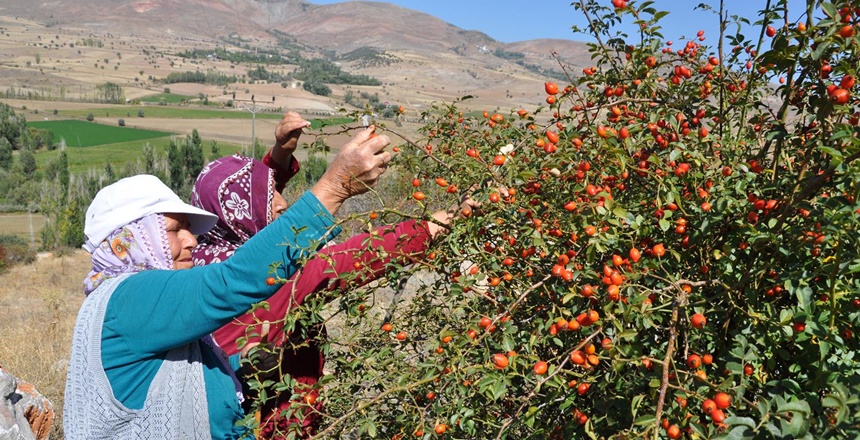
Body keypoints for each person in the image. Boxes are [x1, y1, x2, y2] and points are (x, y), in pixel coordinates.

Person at [63, 126, 390, 439]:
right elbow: (232, 281)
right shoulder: (131, 295)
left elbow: (173, 371)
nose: (191, 240)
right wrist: (334, 189)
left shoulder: (122, 300)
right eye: (174, 230)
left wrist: (239, 364)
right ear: (132, 239)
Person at [191, 113, 469, 439]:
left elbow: (255, 210)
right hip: (281, 427)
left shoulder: (206, 256)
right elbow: (361, 254)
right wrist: (448, 219)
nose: (283, 203)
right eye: (270, 197)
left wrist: (279, 154)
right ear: (244, 216)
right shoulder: (276, 282)